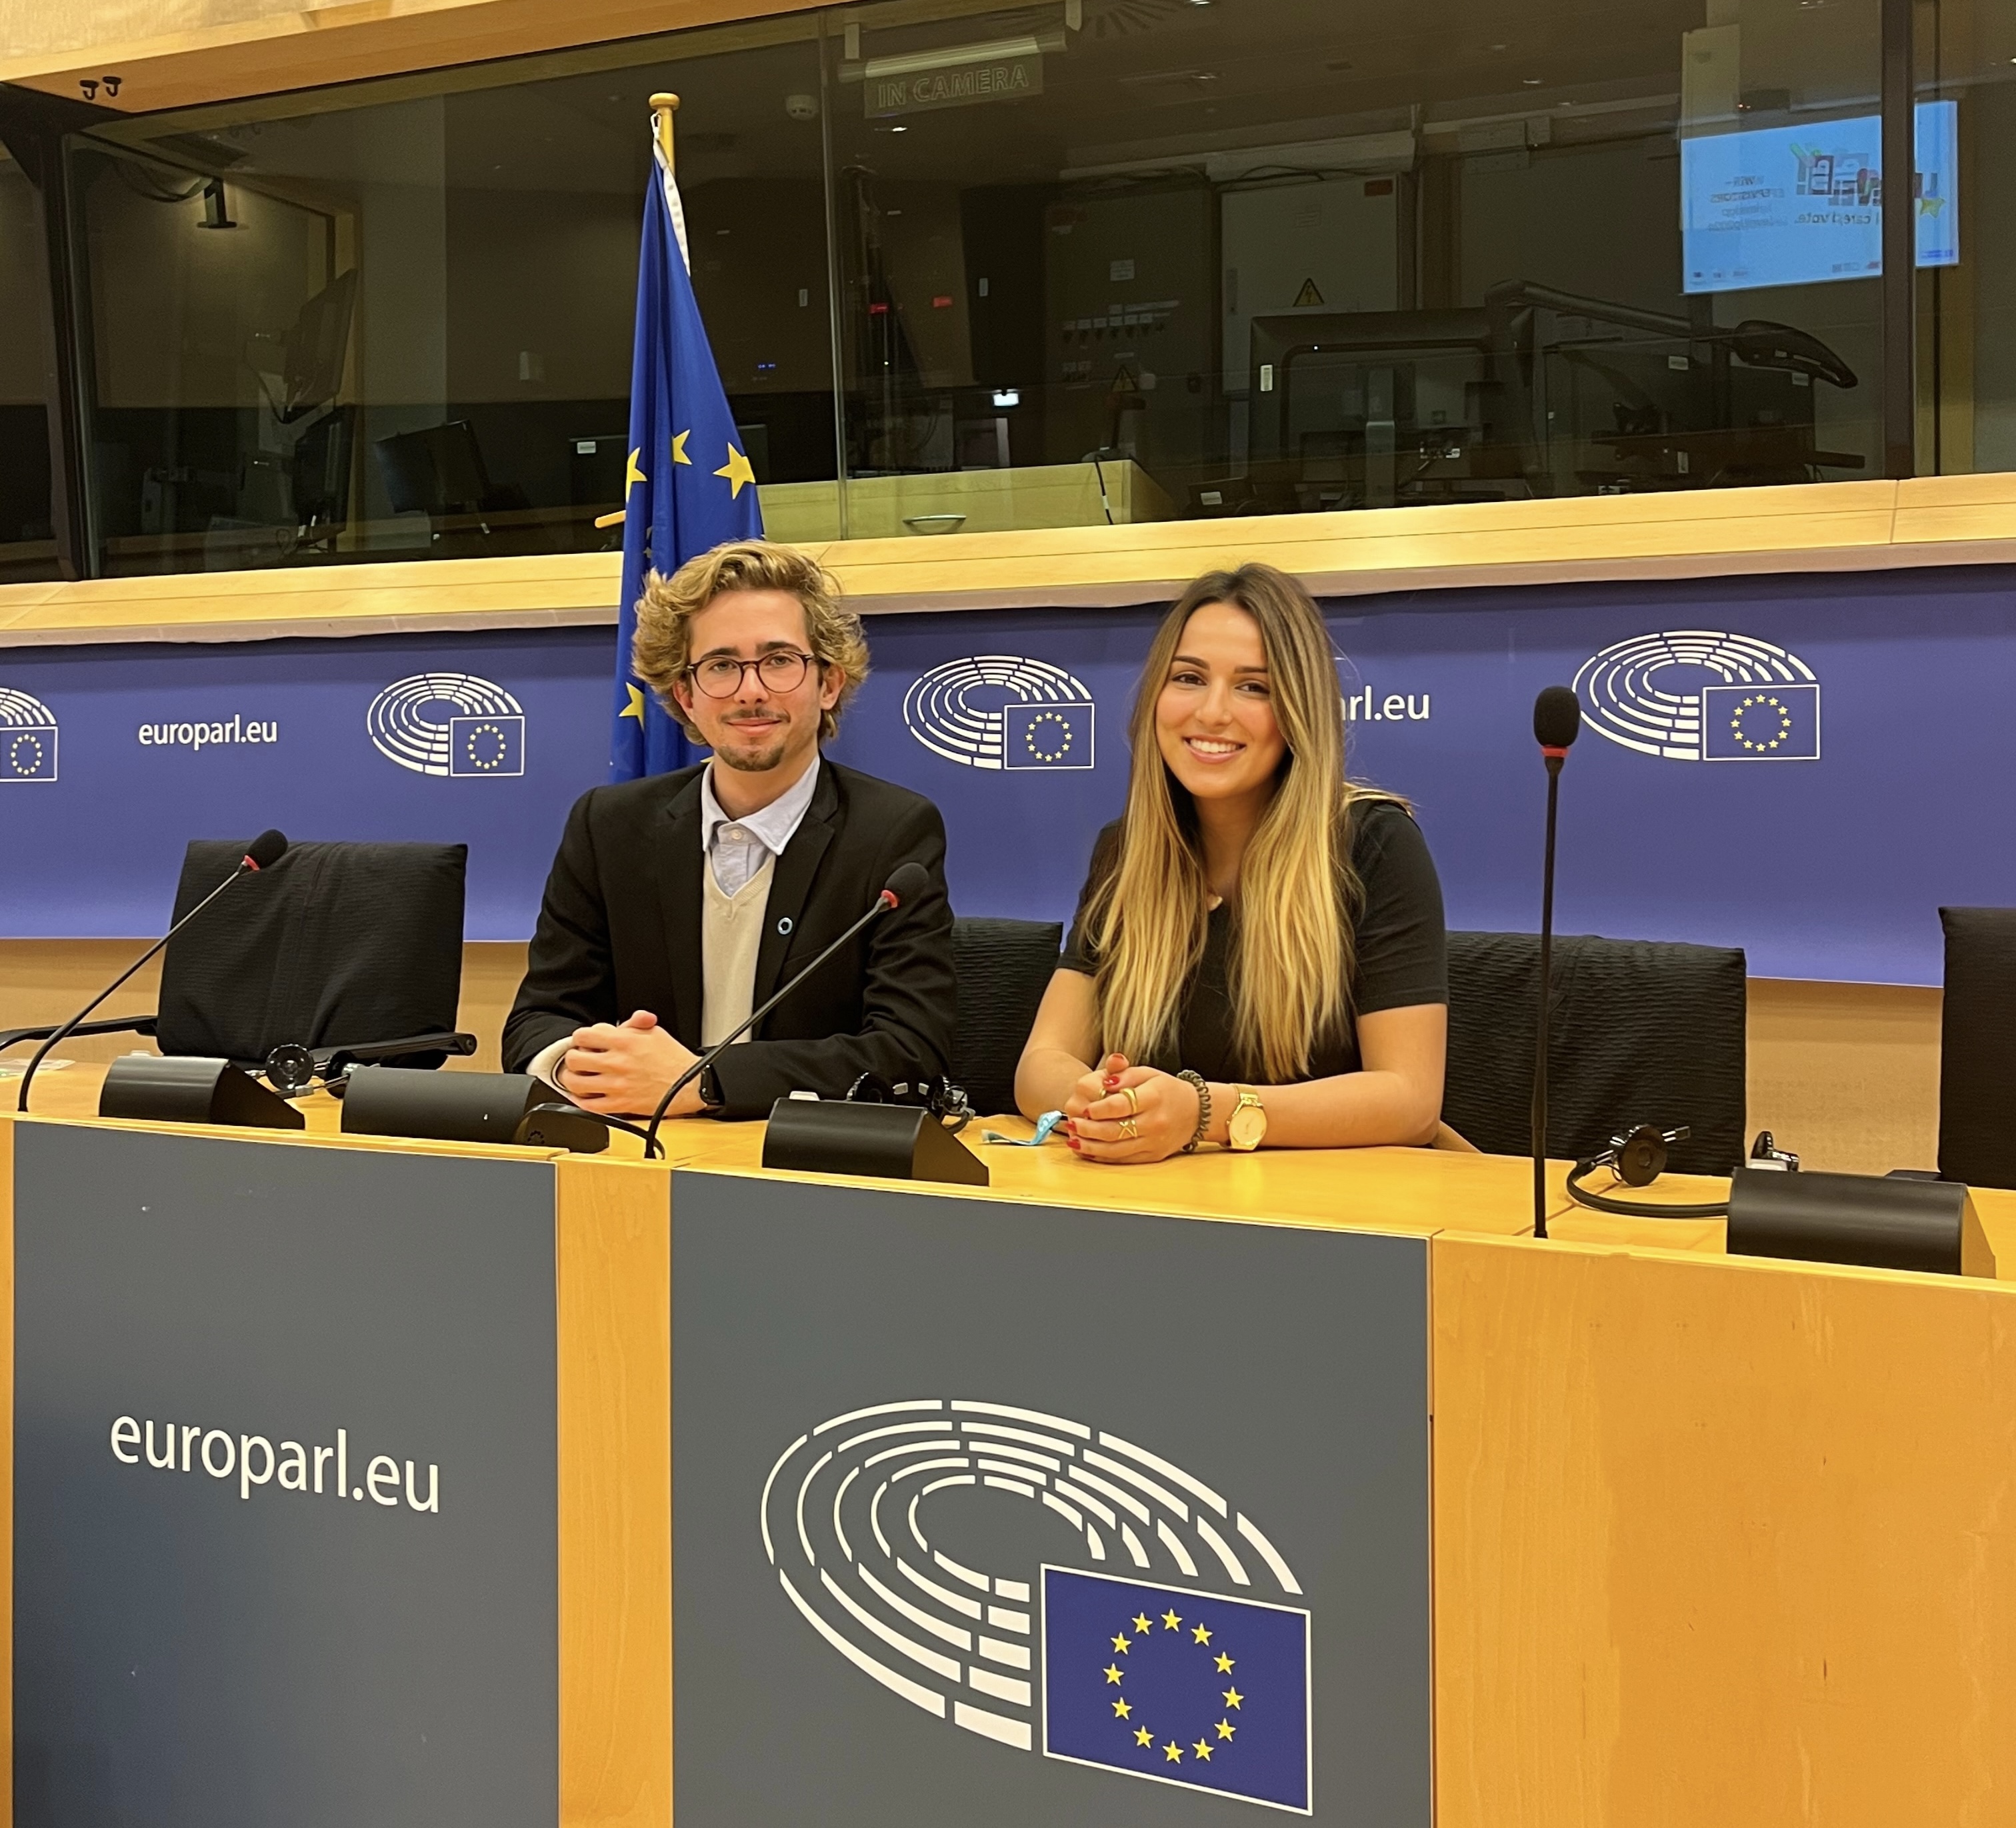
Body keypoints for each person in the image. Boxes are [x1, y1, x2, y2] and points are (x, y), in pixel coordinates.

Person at [503, 540, 957, 1119]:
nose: (751, 690)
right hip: (631, 1150)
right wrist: (582, 1065)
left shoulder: (893, 833)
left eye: (779, 661)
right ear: (687, 696)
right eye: (721, 666)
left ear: (829, 684)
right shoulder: (608, 826)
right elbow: (538, 1018)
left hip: (800, 1166)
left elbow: (911, 1050)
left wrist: (705, 1081)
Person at [1014, 562, 1446, 1163]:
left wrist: (1203, 1113)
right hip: (1154, 1207)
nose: (1213, 712)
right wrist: (1106, 1105)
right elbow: (1040, 1065)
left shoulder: (1373, 844)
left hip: (1324, 1219)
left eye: (1253, 687)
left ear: (1299, 712)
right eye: (1188, 678)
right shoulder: (1127, 850)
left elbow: (1409, 1100)